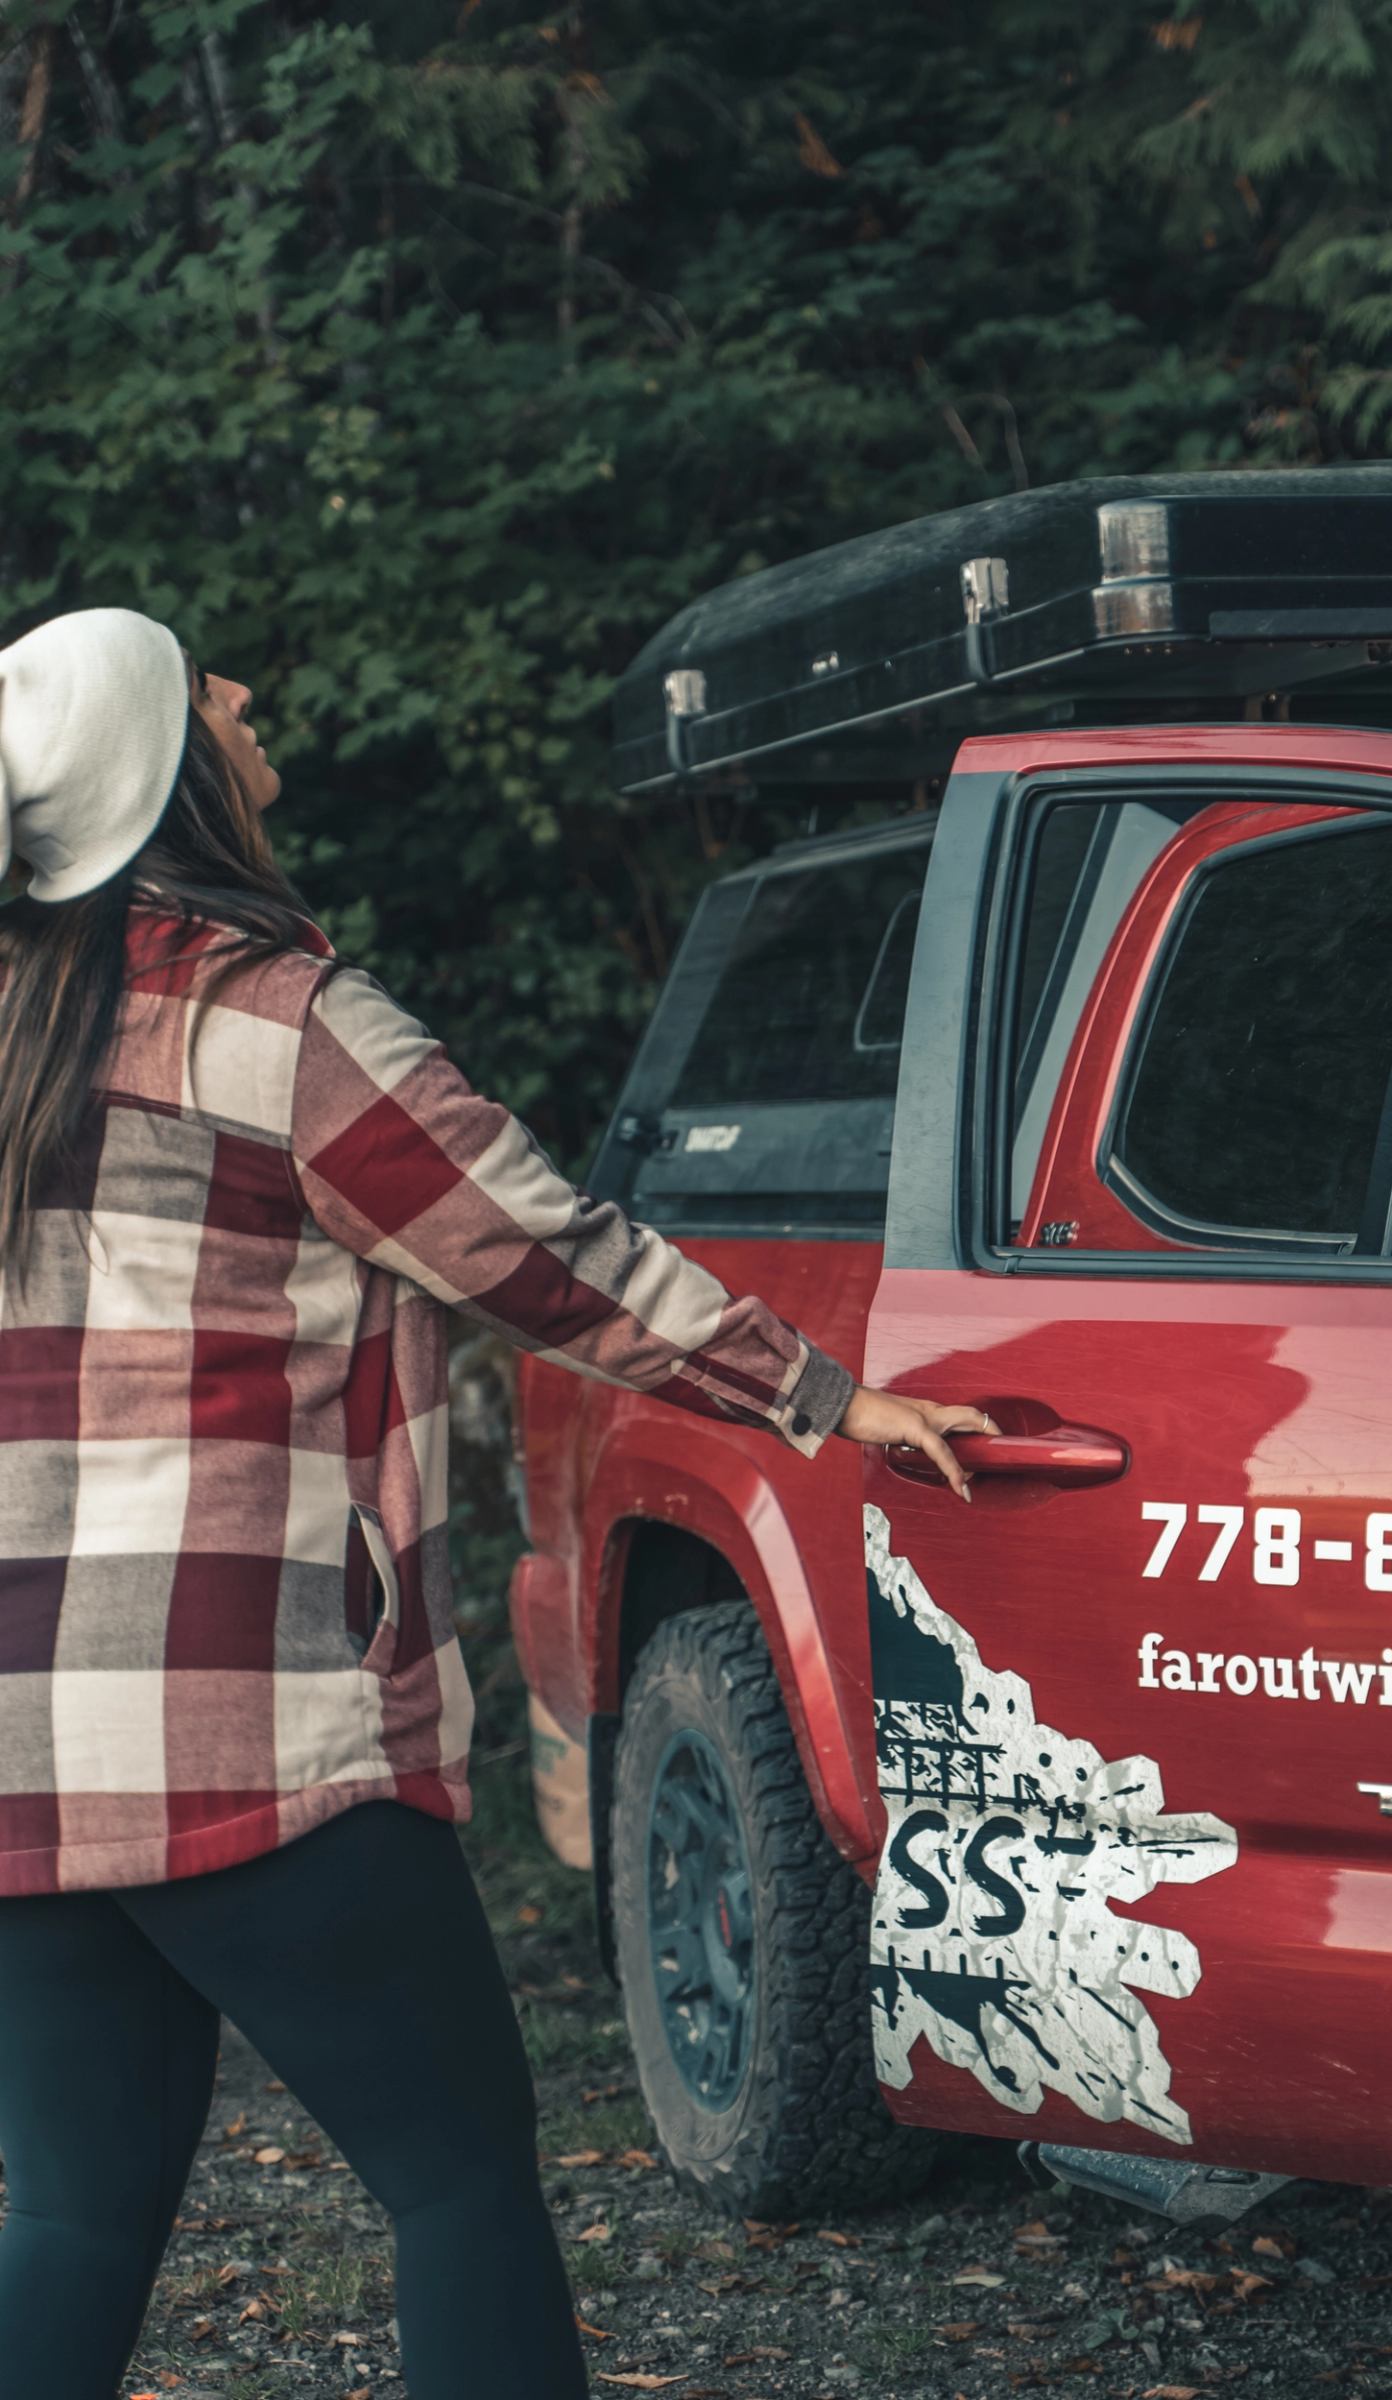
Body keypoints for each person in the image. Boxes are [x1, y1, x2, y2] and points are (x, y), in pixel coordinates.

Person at [0, 607, 993, 2400]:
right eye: (207, 685)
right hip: (251, 1727)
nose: (243, 692)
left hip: (18, 1736)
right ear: (166, 775)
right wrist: (828, 1397)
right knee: (458, 2183)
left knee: (74, 2215)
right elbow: (550, 1255)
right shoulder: (278, 1025)